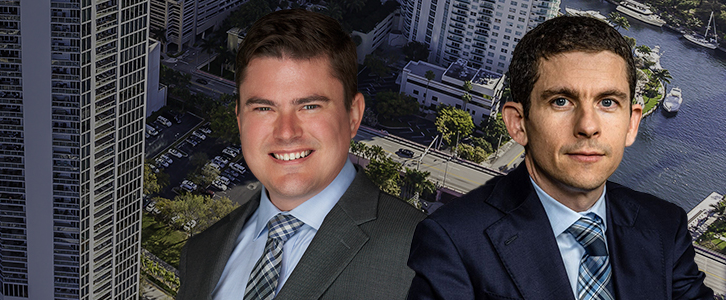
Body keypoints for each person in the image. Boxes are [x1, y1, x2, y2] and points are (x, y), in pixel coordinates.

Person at [406, 16, 712, 299]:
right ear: (518, 123)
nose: (588, 127)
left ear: (632, 124)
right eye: (561, 101)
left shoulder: (664, 226)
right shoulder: (453, 240)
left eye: (607, 102)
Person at [176, 9, 426, 300]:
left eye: (309, 106)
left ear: (353, 116)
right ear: (240, 120)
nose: (285, 132)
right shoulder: (200, 253)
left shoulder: (425, 253)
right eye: (264, 108)